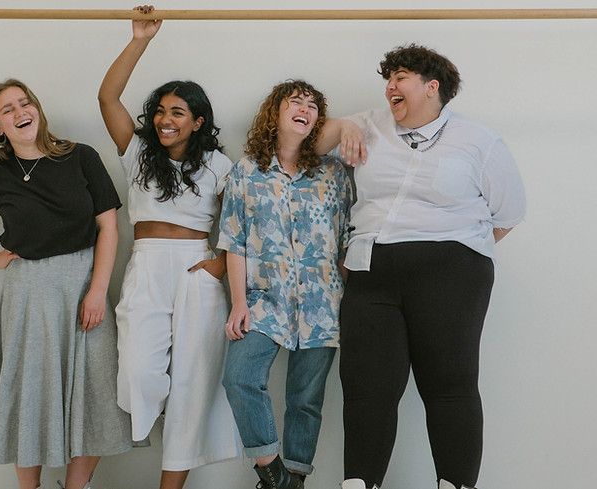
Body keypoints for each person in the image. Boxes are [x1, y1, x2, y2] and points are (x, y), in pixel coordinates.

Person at [334, 45, 527, 489]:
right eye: (388, 79)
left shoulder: (479, 141)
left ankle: (454, 483)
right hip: (371, 271)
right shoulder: (367, 125)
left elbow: (509, 214)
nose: (390, 87)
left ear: (431, 86)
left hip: (451, 274)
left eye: (400, 77)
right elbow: (307, 139)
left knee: (449, 384)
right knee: (367, 388)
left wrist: (455, 252)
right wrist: (343, 123)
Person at [0, 79, 132, 489]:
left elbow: (108, 227)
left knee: (96, 390)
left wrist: (97, 290)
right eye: (8, 109)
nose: (20, 112)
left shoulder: (80, 157)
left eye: (25, 103)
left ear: (38, 110)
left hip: (84, 282)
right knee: (32, 394)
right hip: (29, 293)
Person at [97, 6, 241, 489]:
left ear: (198, 122)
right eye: (160, 110)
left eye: (177, 112)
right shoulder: (137, 153)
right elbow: (107, 96)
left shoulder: (220, 165)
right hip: (148, 265)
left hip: (197, 271)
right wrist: (140, 40)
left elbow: (245, 224)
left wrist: (220, 262)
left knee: (192, 384)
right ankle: (148, 428)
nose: (164, 119)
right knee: (139, 372)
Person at [219, 80, 354, 489]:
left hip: (321, 303)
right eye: (295, 102)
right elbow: (234, 240)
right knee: (240, 378)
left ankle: (294, 480)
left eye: (313, 106)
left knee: (305, 401)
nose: (304, 109)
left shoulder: (334, 172)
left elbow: (349, 237)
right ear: (274, 113)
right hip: (263, 300)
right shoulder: (247, 170)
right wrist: (238, 303)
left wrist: (346, 299)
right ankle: (272, 473)